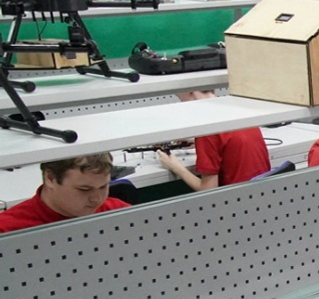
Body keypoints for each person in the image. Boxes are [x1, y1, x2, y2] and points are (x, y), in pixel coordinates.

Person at [155, 91, 271, 189]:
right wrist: (199, 142)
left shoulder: (208, 127)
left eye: (180, 98)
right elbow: (232, 141)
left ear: (190, 92)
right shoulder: (237, 110)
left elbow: (208, 190)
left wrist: (175, 166)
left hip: (236, 201)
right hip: (262, 195)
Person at [0, 153, 130, 233]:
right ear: (50, 178)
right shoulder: (7, 230)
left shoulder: (121, 213)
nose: (97, 199)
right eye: (84, 189)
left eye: (103, 187)